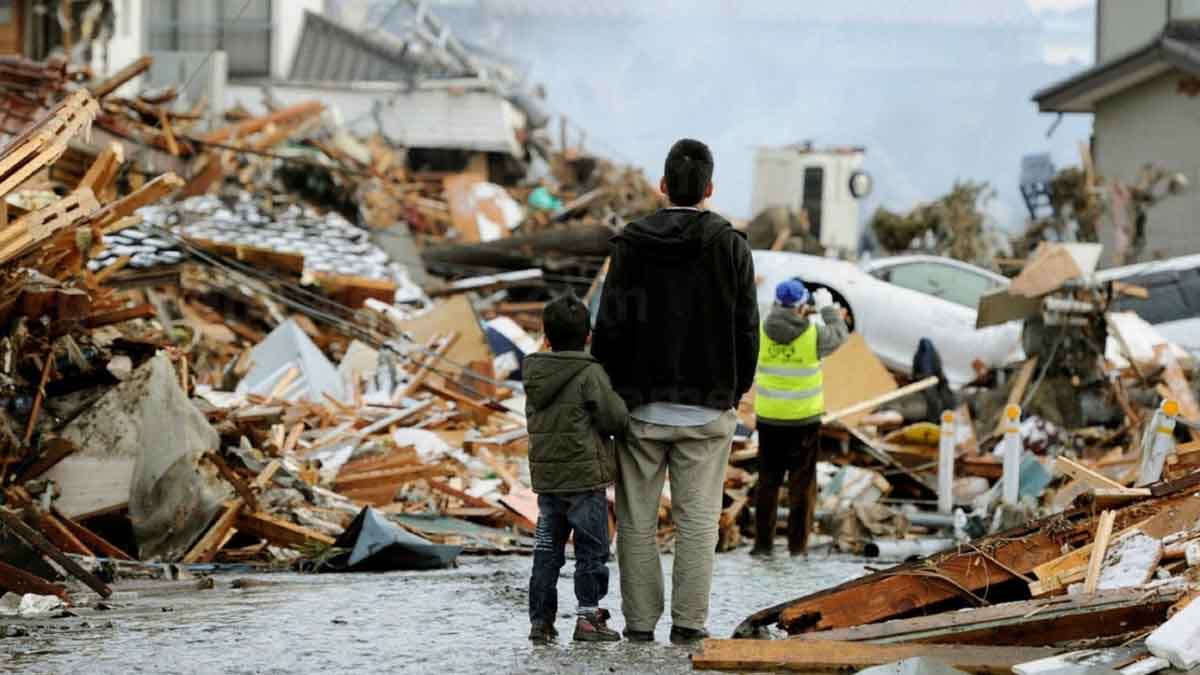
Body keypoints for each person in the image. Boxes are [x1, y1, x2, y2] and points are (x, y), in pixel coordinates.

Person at [592, 138, 759, 644]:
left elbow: (610, 327)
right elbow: (747, 327)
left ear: (663, 186)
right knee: (698, 522)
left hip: (640, 409)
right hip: (707, 410)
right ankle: (689, 624)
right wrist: (736, 388)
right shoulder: (731, 246)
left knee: (638, 523)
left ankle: (639, 624)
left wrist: (610, 395)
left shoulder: (630, 246)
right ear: (709, 188)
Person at [524, 294, 629, 643]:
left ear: (547, 337)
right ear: (588, 336)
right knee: (591, 552)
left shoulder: (534, 373)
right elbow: (614, 418)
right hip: (585, 482)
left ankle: (540, 622)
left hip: (548, 483)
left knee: (546, 553)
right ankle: (588, 618)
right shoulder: (590, 373)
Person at [751, 278, 848, 556]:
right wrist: (828, 310)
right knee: (801, 486)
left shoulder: (760, 330)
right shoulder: (814, 334)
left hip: (769, 420)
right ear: (801, 305)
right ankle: (797, 546)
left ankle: (762, 545)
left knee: (768, 483)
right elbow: (840, 334)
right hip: (803, 423)